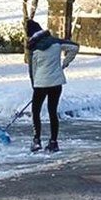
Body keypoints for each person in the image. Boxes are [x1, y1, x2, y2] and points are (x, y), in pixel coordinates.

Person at [25, 19, 79, 153]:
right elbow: (74, 47)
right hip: (56, 82)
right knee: (52, 112)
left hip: (41, 84)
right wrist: (65, 63)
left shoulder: (34, 48)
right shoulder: (55, 42)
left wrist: (35, 86)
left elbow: (33, 70)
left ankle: (37, 140)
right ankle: (53, 142)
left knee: (36, 111)